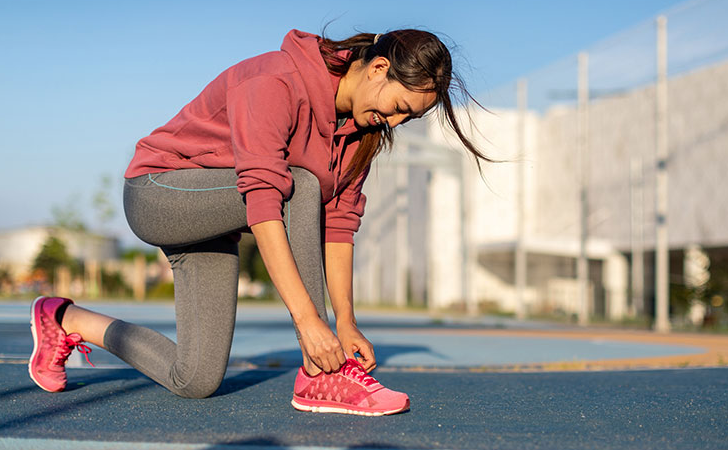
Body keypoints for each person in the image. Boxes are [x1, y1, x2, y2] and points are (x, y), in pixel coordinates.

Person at [28, 28, 491, 416]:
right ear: (377, 68)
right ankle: (319, 376)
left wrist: (345, 322)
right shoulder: (276, 80)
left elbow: (339, 226)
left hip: (219, 217)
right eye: (398, 106)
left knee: (195, 379)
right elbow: (266, 201)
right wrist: (310, 324)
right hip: (159, 193)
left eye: (408, 118)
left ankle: (63, 318)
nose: (393, 121)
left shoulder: (359, 133)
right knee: (302, 184)